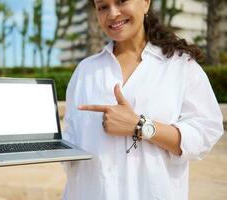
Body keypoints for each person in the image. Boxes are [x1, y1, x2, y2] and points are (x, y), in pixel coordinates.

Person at [62, 0, 224, 200]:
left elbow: (206, 132)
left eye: (121, 1)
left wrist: (139, 126)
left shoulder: (180, 66)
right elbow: (70, 138)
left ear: (146, 3)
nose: (112, 13)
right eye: (103, 6)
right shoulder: (85, 71)